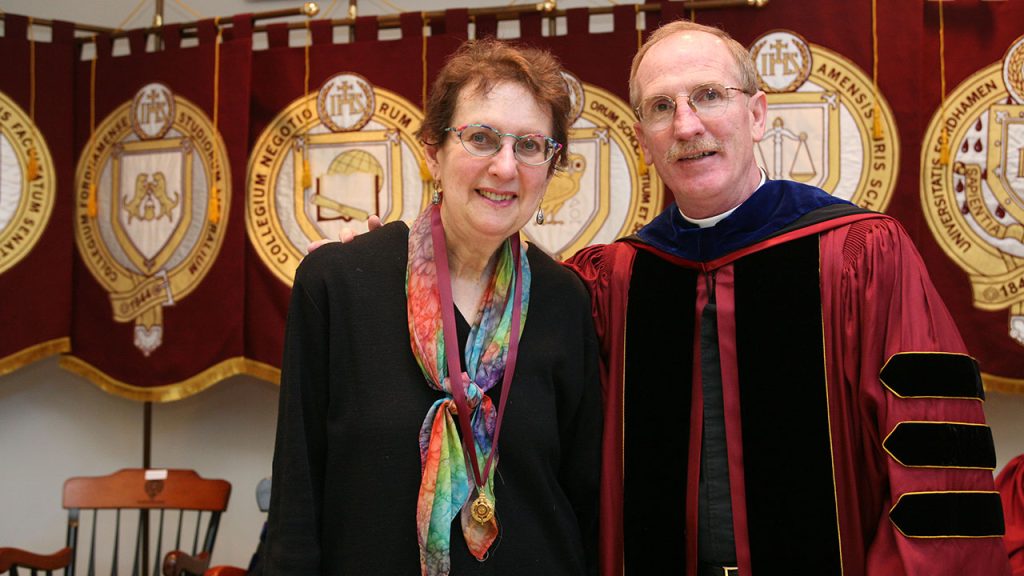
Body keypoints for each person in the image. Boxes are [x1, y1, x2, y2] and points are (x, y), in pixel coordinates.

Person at [564, 19, 1012, 576]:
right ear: (642, 141)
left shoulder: (861, 255)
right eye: (661, 107)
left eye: (709, 96)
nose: (686, 124)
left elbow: (936, 468)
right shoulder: (616, 280)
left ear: (757, 116)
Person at [264, 39, 601, 576]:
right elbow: (297, 499)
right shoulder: (338, 284)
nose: (505, 166)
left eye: (532, 146)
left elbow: (585, 495)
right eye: (482, 138)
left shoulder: (565, 299)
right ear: (431, 150)